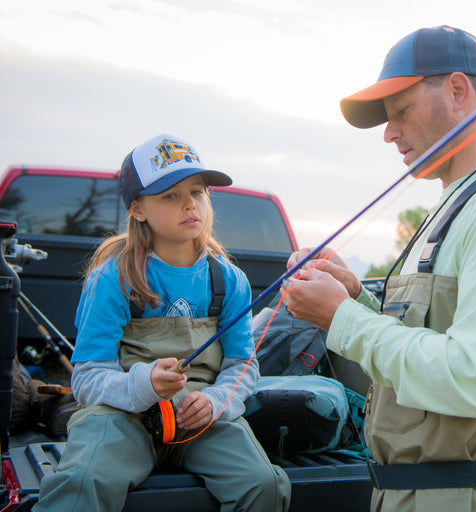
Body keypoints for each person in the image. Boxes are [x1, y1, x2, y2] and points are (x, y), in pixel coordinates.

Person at [282, 26, 476, 511]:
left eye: (401, 110)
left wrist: (342, 318)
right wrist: (355, 297)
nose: (389, 132)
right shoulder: (457, 205)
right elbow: (434, 339)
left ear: (458, 91)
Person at [33, 134, 291, 512]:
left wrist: (217, 401)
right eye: (170, 195)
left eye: (198, 191)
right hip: (121, 415)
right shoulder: (111, 279)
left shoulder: (229, 280)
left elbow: (242, 363)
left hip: (201, 417)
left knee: (264, 485)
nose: (190, 204)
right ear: (137, 209)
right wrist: (144, 383)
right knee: (82, 483)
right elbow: (87, 378)